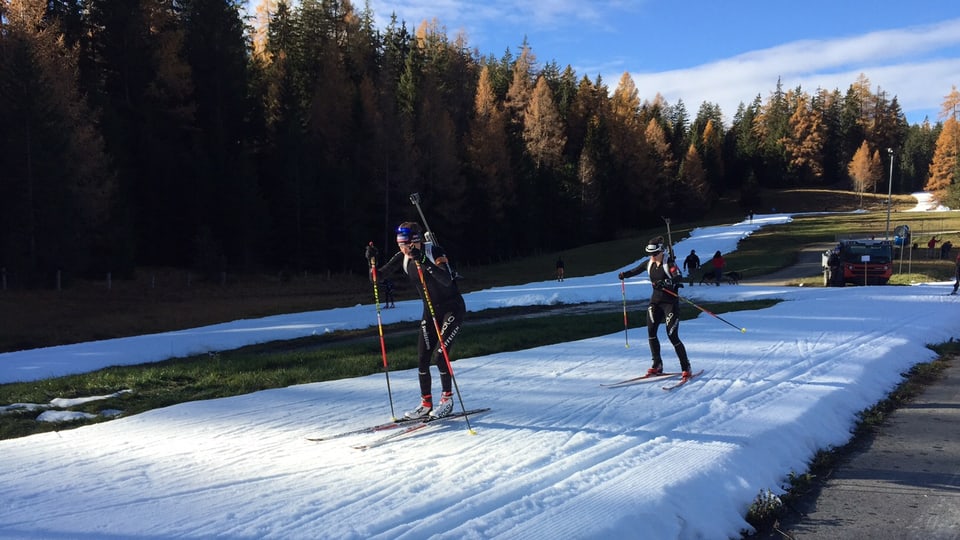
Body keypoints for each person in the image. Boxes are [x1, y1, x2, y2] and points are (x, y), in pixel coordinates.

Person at [374, 222, 465, 419]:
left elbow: (446, 279)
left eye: (406, 245)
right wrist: (371, 261)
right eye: (400, 245)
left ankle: (447, 400)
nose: (403, 249)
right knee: (423, 357)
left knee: (440, 356)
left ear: (416, 242)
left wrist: (424, 260)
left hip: (452, 309)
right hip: (430, 312)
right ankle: (425, 403)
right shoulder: (403, 257)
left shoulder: (434, 251)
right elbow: (377, 277)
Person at [618, 236, 694, 381]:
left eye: (654, 254)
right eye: (650, 254)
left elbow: (678, 277)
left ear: (661, 251)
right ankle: (657, 364)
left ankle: (686, 367)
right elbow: (635, 270)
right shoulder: (649, 263)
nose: (652, 256)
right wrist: (624, 275)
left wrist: (665, 282)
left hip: (670, 304)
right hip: (655, 302)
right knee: (651, 333)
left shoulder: (669, 263)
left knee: (672, 336)